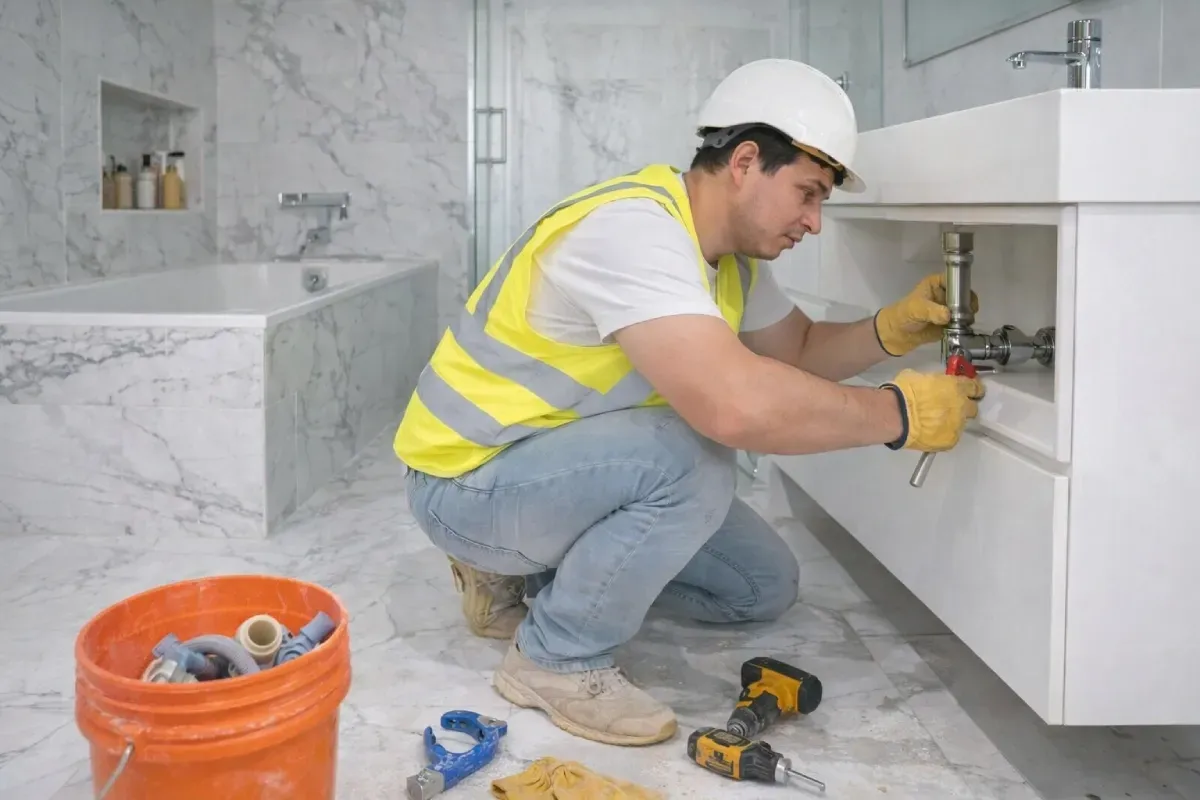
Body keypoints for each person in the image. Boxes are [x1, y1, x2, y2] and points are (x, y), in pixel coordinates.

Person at [393, 58, 984, 747]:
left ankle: (528, 571)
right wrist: (899, 415)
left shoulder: (729, 258)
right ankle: (554, 658)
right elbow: (732, 407)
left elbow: (792, 350)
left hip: (545, 473)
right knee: (693, 452)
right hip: (465, 481)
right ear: (745, 161)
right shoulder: (632, 232)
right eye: (807, 193)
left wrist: (889, 329)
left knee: (759, 585)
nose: (814, 222)